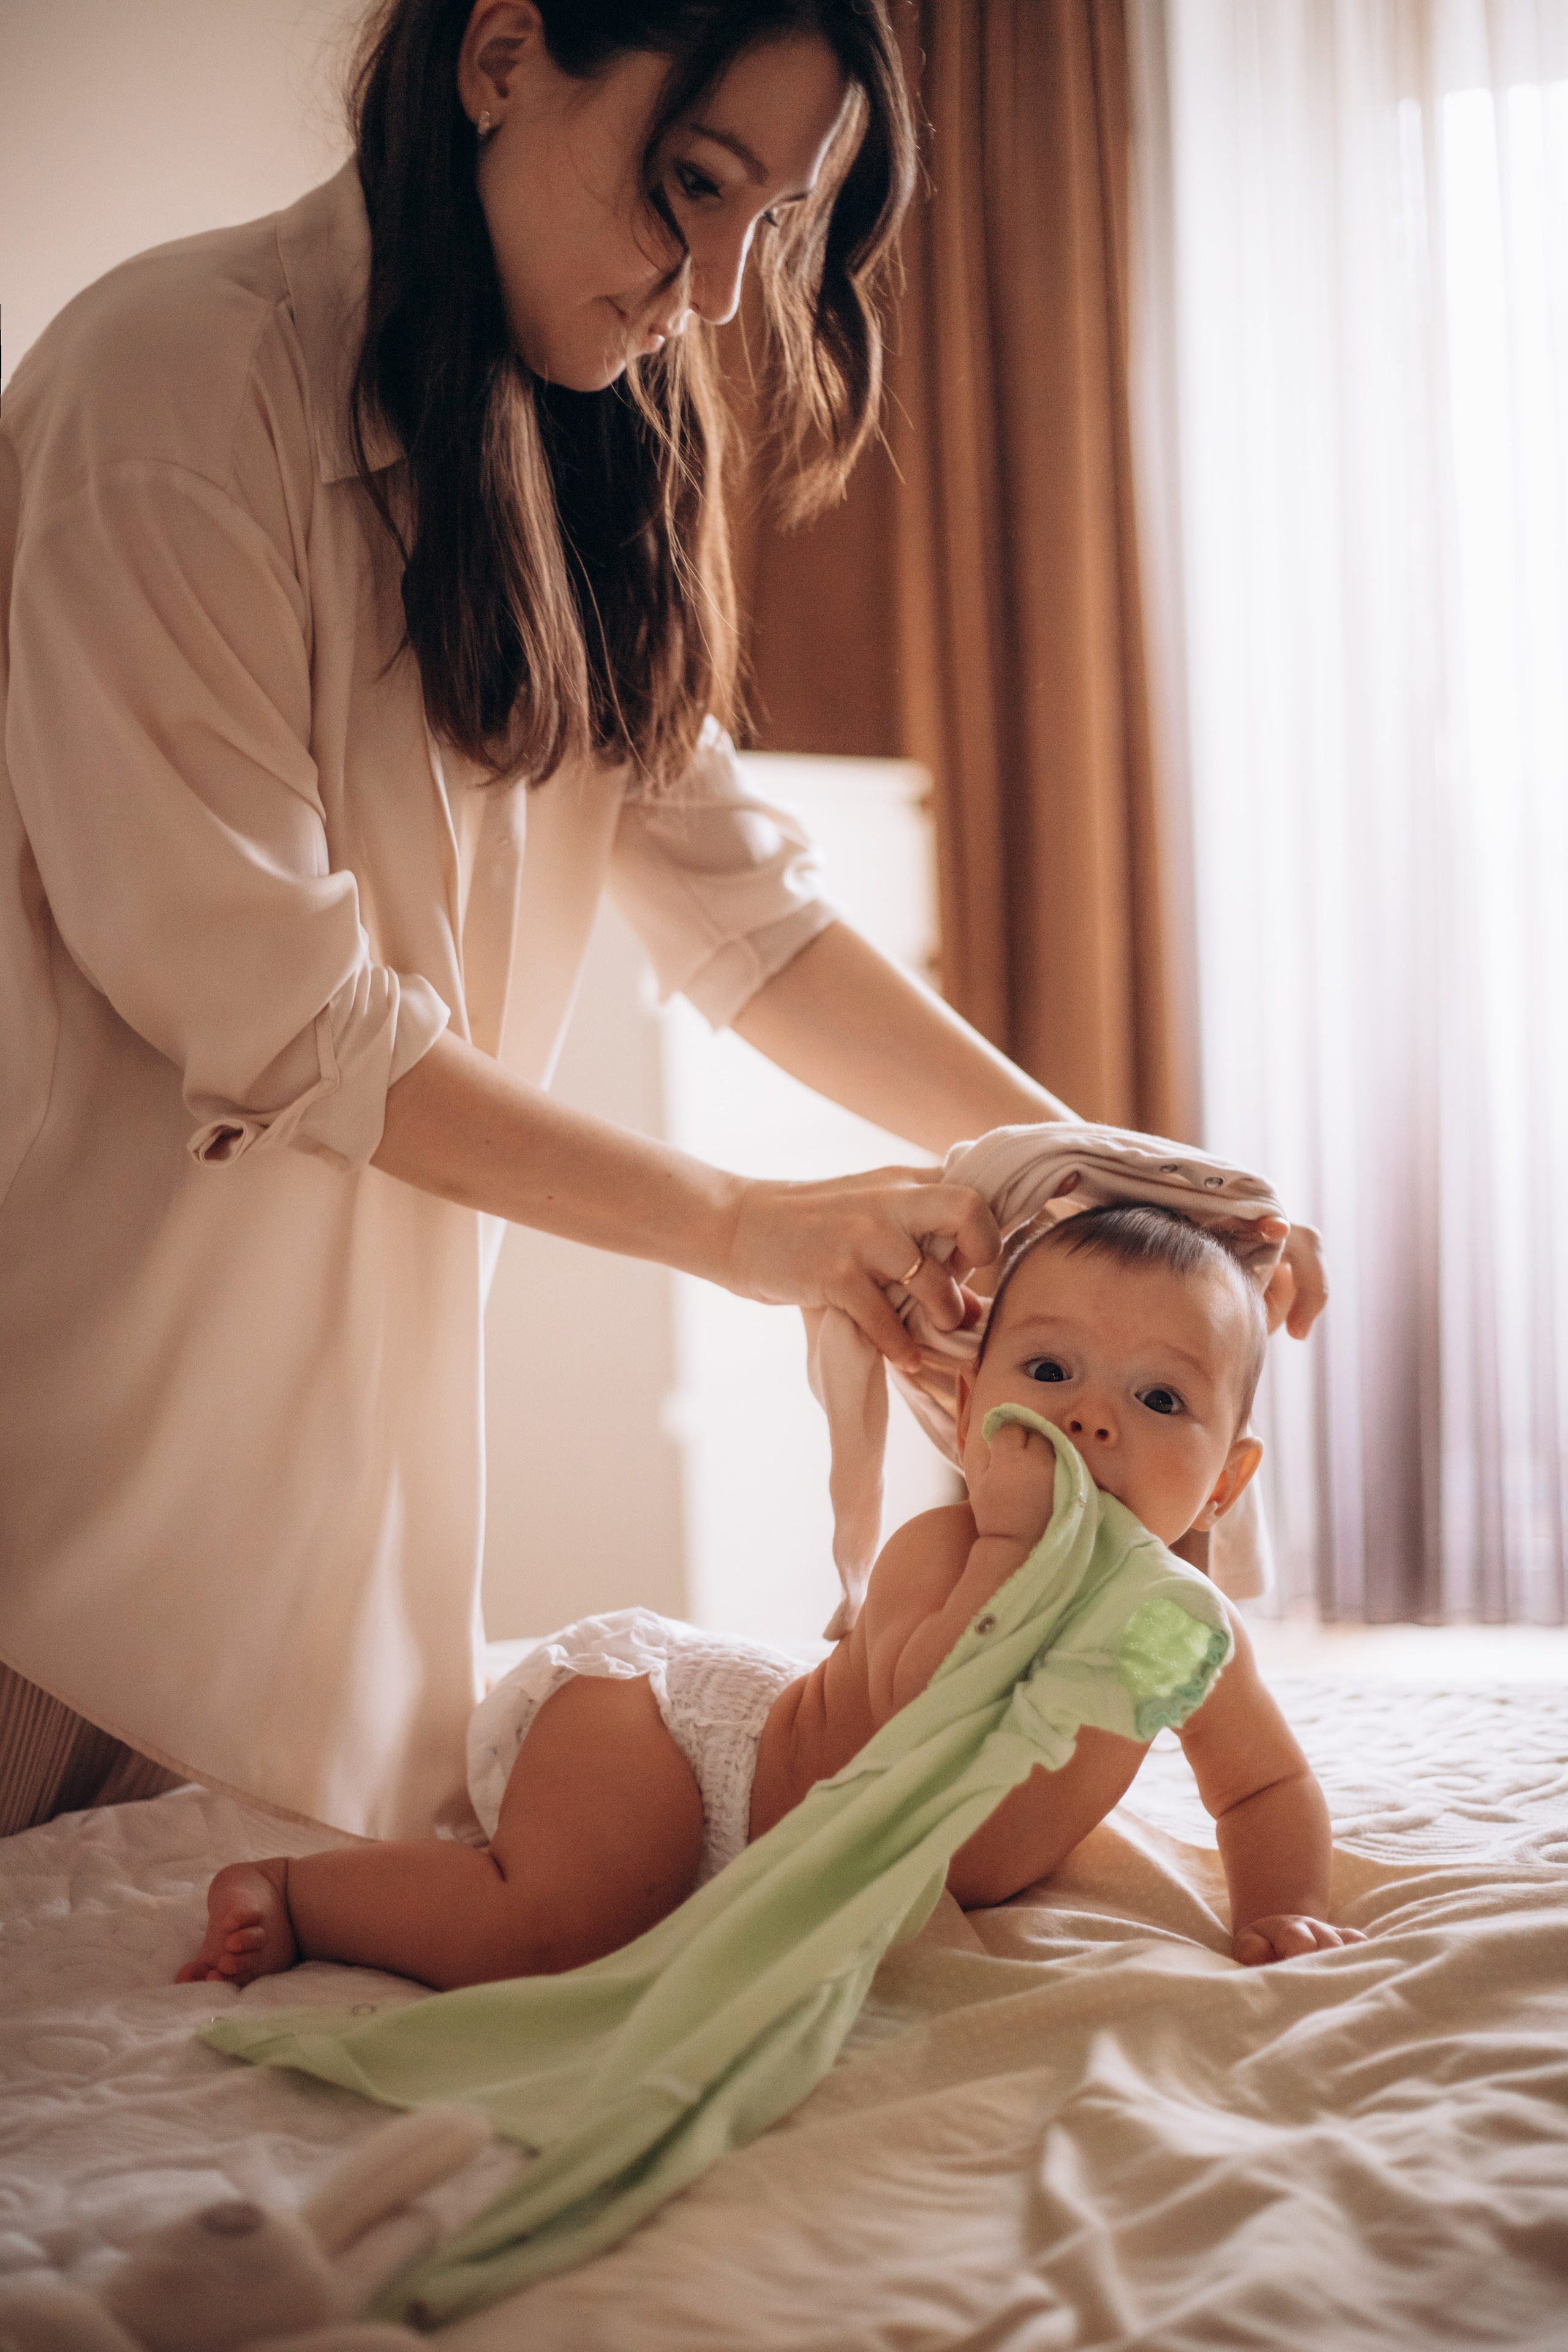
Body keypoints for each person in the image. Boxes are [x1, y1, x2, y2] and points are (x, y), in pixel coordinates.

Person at [1, 0, 1325, 1842]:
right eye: (691, 187)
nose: (708, 294)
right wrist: (743, 1226)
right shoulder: (168, 391)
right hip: (56, 1522)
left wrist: (1107, 1172)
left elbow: (746, 917)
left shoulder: (581, 456)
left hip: (315, 1573)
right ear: (502, 53)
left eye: (767, 225)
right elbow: (294, 1019)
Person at [179, 1204, 1363, 1990]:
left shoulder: (1174, 1633)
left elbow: (1262, 1783)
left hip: (730, 1771)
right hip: (681, 1743)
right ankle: (300, 1896)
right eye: (1049, 1372)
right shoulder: (945, 1550)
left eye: (1161, 1401)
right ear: (967, 1415)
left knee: (602, 1914)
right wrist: (1008, 1542)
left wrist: (1281, 1910)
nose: (1092, 1417)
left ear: (1225, 1481)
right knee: (566, 1924)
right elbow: (924, 1720)